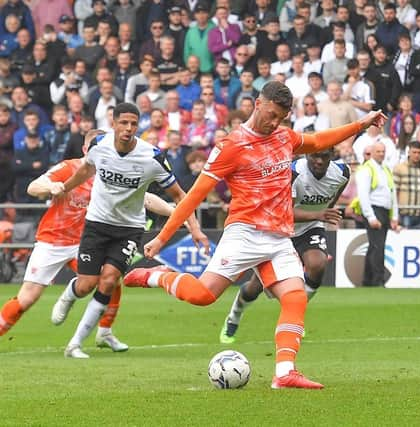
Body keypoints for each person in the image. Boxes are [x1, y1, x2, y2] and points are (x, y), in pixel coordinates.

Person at [122, 82, 386, 389]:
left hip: (278, 238)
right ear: (257, 103)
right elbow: (193, 197)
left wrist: (361, 124)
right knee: (202, 296)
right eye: (272, 114)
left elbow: (317, 141)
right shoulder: (230, 146)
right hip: (244, 234)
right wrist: (162, 237)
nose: (274, 123)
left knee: (296, 296)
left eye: (281, 118)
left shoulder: (284, 137)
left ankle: (285, 372)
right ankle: (158, 277)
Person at [48, 103, 208, 358]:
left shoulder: (152, 157)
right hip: (97, 223)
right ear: (114, 123)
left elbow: (180, 195)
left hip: (128, 228)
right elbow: (86, 170)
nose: (129, 128)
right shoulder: (99, 145)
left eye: (134, 124)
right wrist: (63, 188)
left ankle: (75, 344)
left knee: (110, 280)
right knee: (86, 284)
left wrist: (195, 227)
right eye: (124, 123)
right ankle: (69, 296)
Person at [0, 130, 174, 343]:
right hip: (52, 241)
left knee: (110, 279)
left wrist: (175, 212)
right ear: (86, 149)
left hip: (85, 241)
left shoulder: (113, 173)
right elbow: (32, 187)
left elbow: (146, 199)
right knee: (27, 298)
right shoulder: (69, 168)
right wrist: (50, 186)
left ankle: (104, 332)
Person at [219, 149, 349, 344]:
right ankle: (233, 318)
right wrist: (319, 214)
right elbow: (282, 212)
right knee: (256, 287)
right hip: (278, 230)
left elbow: (332, 198)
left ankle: (294, 318)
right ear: (306, 155)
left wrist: (321, 214)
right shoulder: (293, 173)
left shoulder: (342, 173)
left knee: (317, 264)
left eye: (325, 157)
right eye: (315, 156)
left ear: (332, 156)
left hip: (310, 228)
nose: (320, 161)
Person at [354, 141, 399, 286]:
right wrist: (370, 216)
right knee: (378, 246)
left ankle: (367, 280)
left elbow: (392, 194)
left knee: (375, 246)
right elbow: (363, 195)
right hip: (374, 209)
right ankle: (378, 280)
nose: (381, 154)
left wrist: (394, 216)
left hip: (384, 210)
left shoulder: (385, 169)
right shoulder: (366, 169)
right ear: (372, 153)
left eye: (383, 151)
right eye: (378, 151)